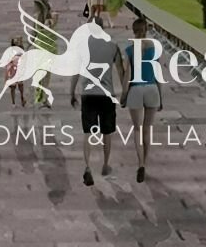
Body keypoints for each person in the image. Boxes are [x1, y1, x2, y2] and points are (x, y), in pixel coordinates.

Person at [70, 20, 126, 187]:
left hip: (88, 94)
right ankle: (105, 165)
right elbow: (121, 71)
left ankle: (87, 166)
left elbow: (75, 72)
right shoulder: (113, 46)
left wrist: (72, 92)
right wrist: (125, 92)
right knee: (107, 132)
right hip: (106, 94)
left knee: (88, 133)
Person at [121, 15, 163, 183]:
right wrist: (161, 97)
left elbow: (127, 76)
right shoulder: (155, 49)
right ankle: (145, 162)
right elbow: (158, 75)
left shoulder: (130, 50)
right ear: (146, 30)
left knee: (137, 130)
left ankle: (140, 164)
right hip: (152, 89)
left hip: (136, 90)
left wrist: (124, 96)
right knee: (147, 130)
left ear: (134, 31)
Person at [5, 36, 28, 106]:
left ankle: (22, 98)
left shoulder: (21, 50)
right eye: (16, 41)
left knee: (20, 86)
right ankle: (13, 102)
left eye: (18, 41)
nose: (17, 42)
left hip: (19, 69)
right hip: (12, 70)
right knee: (13, 87)